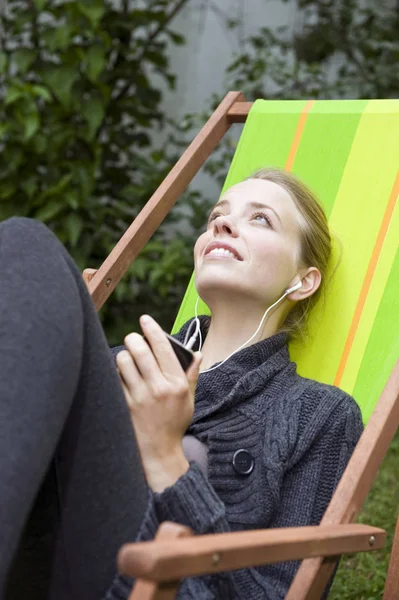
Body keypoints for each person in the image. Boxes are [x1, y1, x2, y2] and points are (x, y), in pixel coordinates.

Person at [0, 167, 363, 600]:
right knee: (27, 249)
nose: (221, 224)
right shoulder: (125, 364)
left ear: (302, 281)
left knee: (31, 245)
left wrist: (167, 457)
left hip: (146, 585)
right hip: (40, 559)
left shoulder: (319, 413)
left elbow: (280, 593)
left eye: (260, 218)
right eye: (217, 215)